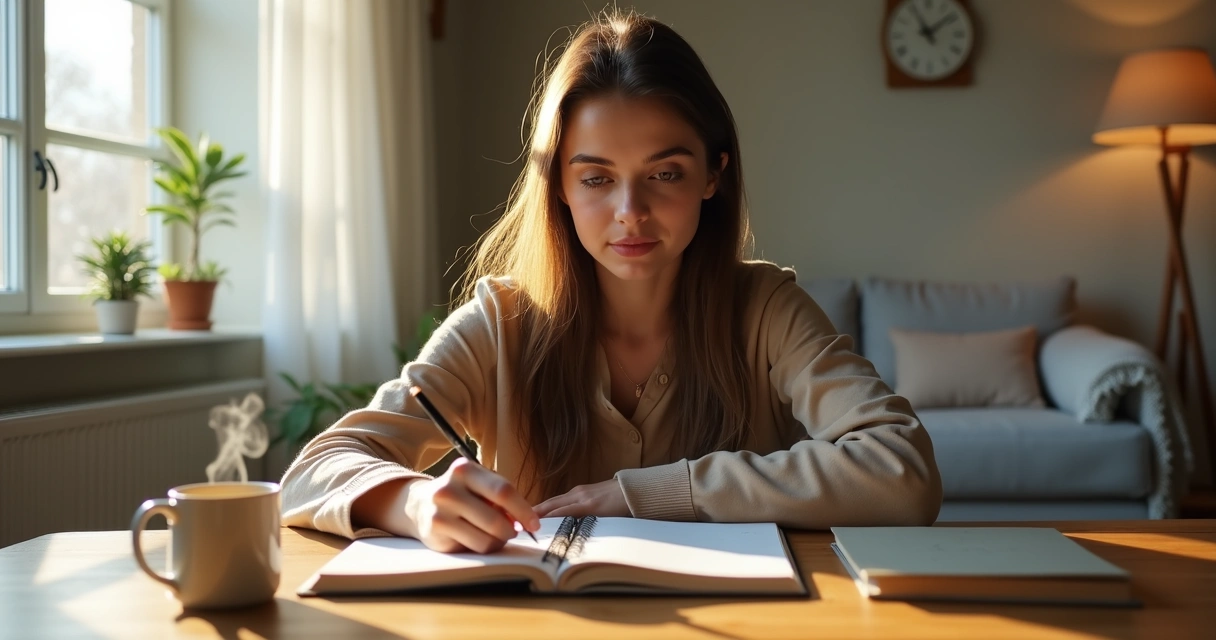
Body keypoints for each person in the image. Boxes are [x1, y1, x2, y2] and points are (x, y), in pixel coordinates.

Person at [282, 10, 941, 554]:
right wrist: (416, 500)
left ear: (713, 175)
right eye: (596, 178)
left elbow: (903, 471)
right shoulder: (501, 322)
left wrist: (648, 493)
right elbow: (311, 473)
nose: (631, 213)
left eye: (666, 173)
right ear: (560, 187)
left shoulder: (766, 310)